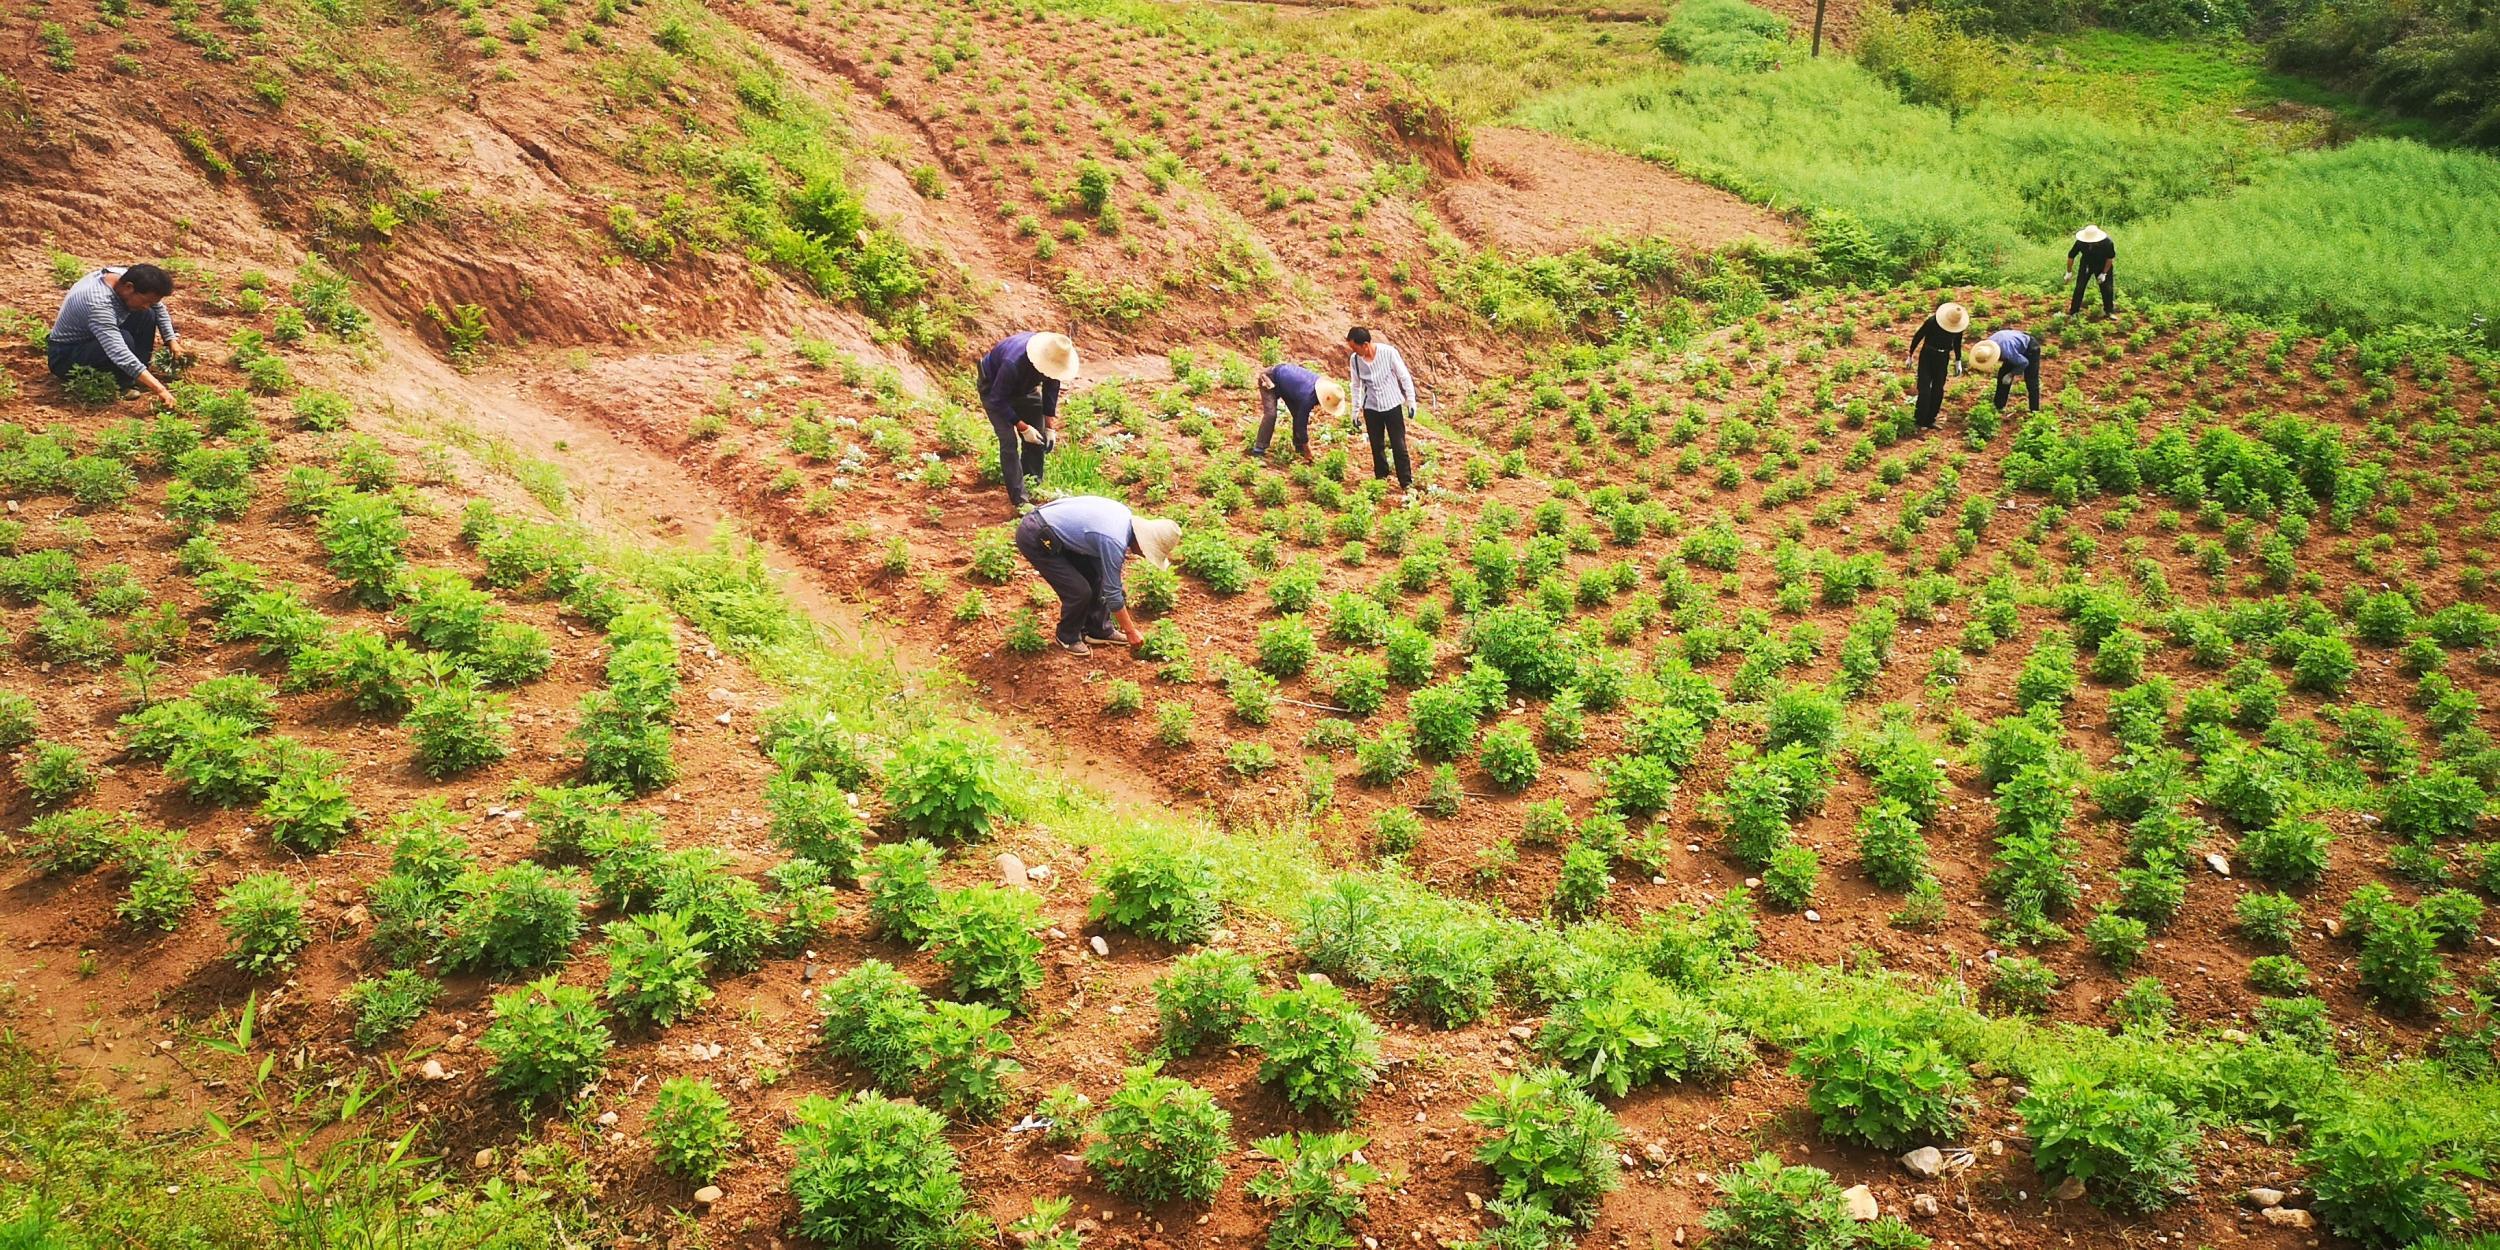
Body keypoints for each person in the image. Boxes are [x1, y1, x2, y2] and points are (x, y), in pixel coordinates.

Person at [1014, 494, 1181, 657]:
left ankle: (1098, 630)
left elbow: (1107, 580)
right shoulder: (1114, 540)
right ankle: (1067, 636)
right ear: (1143, 542)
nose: (1143, 556)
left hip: (1058, 533)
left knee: (1098, 577)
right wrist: (1130, 631)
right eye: (1147, 552)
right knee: (1079, 591)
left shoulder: (1124, 518)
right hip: (1036, 534)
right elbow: (1113, 594)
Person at [49, 263, 182, 406]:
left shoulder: (122, 276)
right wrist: (159, 389)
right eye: (145, 301)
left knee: (147, 313)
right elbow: (118, 351)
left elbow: (158, 306)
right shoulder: (98, 304)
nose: (146, 305)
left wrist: (171, 340)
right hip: (65, 355)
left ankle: (136, 375)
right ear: (129, 287)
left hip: (91, 337)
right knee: (125, 339)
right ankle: (121, 383)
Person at [976, 331, 1080, 514]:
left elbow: (1051, 388)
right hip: (994, 387)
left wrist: (1049, 427)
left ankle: (1032, 484)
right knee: (1008, 440)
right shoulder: (1013, 363)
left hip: (1025, 387)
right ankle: (1020, 501)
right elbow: (998, 399)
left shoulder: (1054, 355)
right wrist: (1022, 427)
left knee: (1038, 436)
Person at [1345, 327, 1417, 493]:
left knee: (1398, 445)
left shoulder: (1388, 353)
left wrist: (1411, 400)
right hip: (1371, 407)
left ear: (1365, 345)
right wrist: (1355, 411)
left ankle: (1406, 482)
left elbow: (1403, 376)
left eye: (1355, 348)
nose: (1353, 352)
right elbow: (1356, 386)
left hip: (1392, 405)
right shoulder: (1355, 360)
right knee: (1376, 445)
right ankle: (1381, 479)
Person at [1251, 363, 1347, 461]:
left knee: (1297, 414)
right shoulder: (1308, 397)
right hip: (1269, 378)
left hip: (1286, 386)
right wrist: (1308, 449)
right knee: (1271, 414)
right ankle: (1258, 450)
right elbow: (1302, 424)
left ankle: (1299, 447)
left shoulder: (1316, 388)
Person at [1906, 301, 1967, 433]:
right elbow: (1919, 335)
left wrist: (1958, 360)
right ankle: (1919, 420)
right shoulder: (1933, 321)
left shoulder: (1957, 327)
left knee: (1938, 389)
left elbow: (1957, 342)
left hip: (1943, 357)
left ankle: (1930, 419)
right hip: (1928, 355)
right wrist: (1910, 354)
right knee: (1924, 389)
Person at [1969, 328, 2041, 414]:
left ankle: (2034, 411)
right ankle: (1999, 406)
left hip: (2030, 347)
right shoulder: (1988, 345)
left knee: (2031, 380)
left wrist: (2011, 374)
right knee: (2002, 376)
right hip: (2014, 344)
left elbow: (2024, 362)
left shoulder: (2008, 353)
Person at [2065, 225, 2115, 317]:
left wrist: (2104, 273)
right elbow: (2071, 255)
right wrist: (2069, 272)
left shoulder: (2107, 243)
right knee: (2080, 287)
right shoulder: (2080, 242)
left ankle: (2109, 311)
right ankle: (2074, 312)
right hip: (2087, 264)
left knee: (2107, 288)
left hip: (2103, 264)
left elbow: (2110, 258)